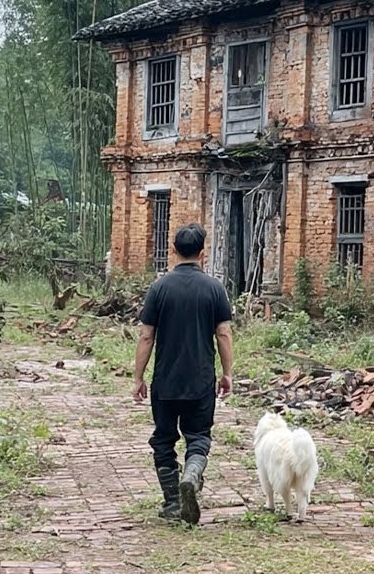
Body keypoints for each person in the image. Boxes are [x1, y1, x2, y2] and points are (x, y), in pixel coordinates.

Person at [132, 224, 234, 525]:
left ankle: (173, 502)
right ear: (203, 253)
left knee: (163, 440)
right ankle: (191, 474)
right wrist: (227, 373)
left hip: (165, 381)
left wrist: (138, 377)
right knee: (198, 437)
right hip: (201, 379)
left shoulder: (159, 288)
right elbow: (224, 333)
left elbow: (147, 336)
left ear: (173, 251)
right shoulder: (215, 288)